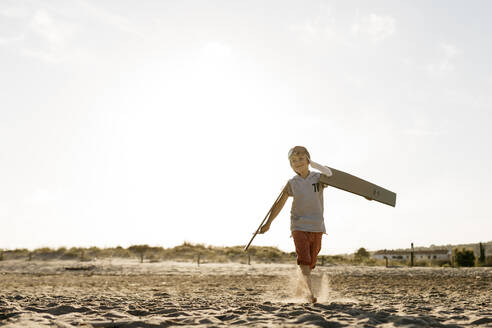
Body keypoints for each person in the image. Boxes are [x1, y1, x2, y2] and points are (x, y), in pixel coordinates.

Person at [259, 146, 332, 303]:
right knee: (304, 260)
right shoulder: (292, 183)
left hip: (317, 226)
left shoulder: (319, 178)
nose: (297, 162)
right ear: (290, 165)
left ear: (308, 160)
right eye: (293, 161)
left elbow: (331, 175)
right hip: (298, 225)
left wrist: (366, 194)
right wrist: (268, 223)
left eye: (300, 159)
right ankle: (309, 294)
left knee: (311, 263)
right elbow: (279, 203)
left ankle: (300, 291)